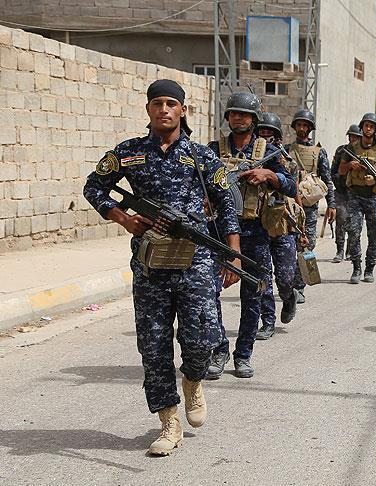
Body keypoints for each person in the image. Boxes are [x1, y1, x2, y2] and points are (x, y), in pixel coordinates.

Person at [83, 79, 241, 455]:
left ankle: (193, 380)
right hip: (150, 263)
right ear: (148, 109)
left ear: (183, 110)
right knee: (153, 346)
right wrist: (123, 218)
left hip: (196, 261)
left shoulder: (201, 156)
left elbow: (226, 203)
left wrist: (233, 252)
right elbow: (94, 187)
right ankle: (169, 422)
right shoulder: (130, 152)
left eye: (171, 103)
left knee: (202, 340)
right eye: (157, 103)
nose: (164, 109)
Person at [206, 93, 294, 379]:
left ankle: (243, 354)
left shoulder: (269, 151)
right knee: (208, 294)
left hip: (255, 232)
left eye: (244, 115)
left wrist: (270, 175)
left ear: (254, 119)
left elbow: (292, 186)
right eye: (234, 113)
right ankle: (219, 349)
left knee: (253, 296)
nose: (238, 118)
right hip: (218, 232)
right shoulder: (212, 150)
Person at [254, 112, 303, 338]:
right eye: (261, 132)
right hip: (258, 224)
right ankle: (268, 321)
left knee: (285, 277)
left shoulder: (285, 160)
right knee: (263, 276)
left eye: (269, 132)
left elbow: (293, 190)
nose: (265, 136)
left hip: (283, 224)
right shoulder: (249, 157)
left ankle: (289, 297)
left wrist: (302, 228)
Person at [338, 112, 376, 284]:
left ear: (375, 129)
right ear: (362, 127)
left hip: (373, 198)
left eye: (372, 126)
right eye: (366, 125)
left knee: (374, 234)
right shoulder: (351, 148)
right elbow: (341, 170)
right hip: (355, 196)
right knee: (353, 232)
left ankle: (369, 269)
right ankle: (356, 268)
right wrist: (351, 165)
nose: (368, 128)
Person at [284, 109, 336, 303]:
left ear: (310, 128)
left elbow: (327, 180)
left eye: (305, 125)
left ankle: (299, 287)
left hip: (309, 207)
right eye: (299, 125)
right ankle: (288, 284)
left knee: (307, 245)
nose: (302, 128)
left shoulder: (319, 152)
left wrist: (331, 204)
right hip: (289, 205)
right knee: (287, 246)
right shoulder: (286, 150)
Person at [331, 124, 362, 263]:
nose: (353, 139)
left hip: (357, 193)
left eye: (356, 137)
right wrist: (345, 171)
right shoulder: (341, 151)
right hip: (342, 192)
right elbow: (333, 172)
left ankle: (350, 250)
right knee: (341, 219)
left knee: (354, 223)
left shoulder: (364, 152)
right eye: (352, 137)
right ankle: (340, 250)